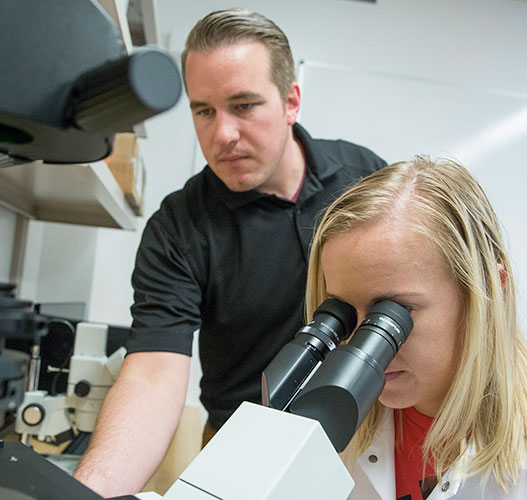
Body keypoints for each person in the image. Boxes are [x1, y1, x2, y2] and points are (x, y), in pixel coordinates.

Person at [73, 8, 387, 497]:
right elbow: (154, 374)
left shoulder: (363, 176)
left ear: (290, 101)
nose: (221, 135)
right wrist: (89, 495)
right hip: (242, 449)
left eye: (243, 106)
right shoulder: (179, 227)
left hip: (373, 438)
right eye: (204, 110)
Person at [304, 156, 527, 499]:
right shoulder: (334, 435)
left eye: (395, 312)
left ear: (489, 290)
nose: (361, 345)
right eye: (345, 314)